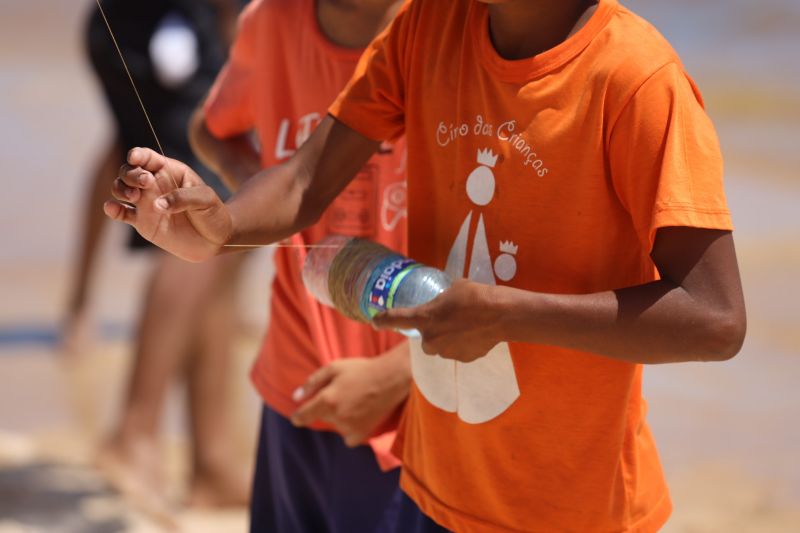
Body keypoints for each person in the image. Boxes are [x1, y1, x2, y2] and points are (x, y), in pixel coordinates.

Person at [104, 0, 748, 531]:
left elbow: (715, 319)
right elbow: (305, 181)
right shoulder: (427, 27)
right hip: (436, 483)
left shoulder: (637, 80)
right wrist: (223, 226)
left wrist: (506, 315)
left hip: (574, 504)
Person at [186, 1, 421, 532]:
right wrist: (259, 197)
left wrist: (400, 374)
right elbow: (212, 127)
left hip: (416, 401)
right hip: (295, 380)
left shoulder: (447, 29)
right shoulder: (271, 20)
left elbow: (516, 254)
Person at [66, 0, 249, 514]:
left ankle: (211, 464)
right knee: (209, 206)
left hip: (132, 29)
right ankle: (135, 432)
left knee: (225, 229)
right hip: (173, 36)